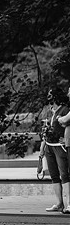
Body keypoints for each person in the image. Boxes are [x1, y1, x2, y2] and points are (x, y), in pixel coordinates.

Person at [39, 85, 70, 213]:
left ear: (56, 96)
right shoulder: (49, 111)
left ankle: (69, 204)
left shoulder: (65, 110)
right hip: (49, 146)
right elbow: (44, 130)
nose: (49, 97)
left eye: (51, 94)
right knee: (54, 175)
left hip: (59, 146)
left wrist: (65, 139)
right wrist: (42, 148)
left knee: (65, 174)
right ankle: (59, 203)